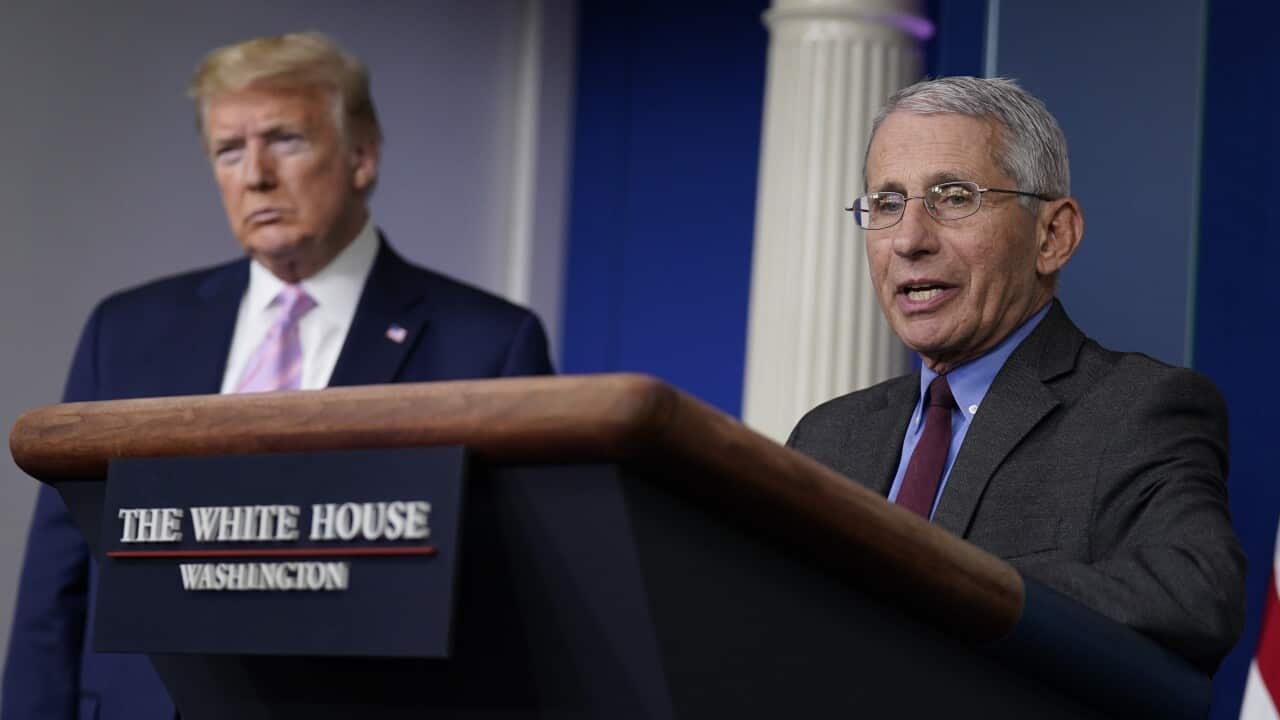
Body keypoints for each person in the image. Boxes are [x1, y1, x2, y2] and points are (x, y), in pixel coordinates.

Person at [3, 32, 553, 719]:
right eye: (229, 151)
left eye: (285, 140)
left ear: (362, 156)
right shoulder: (129, 329)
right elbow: (57, 584)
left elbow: (513, 623)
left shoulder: (487, 343)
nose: (255, 175)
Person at [787, 76, 1244, 674]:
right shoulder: (828, 436)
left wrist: (946, 580)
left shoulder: (1136, 409)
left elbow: (1197, 591)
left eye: (953, 197)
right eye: (887, 203)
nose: (908, 239)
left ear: (1053, 236)